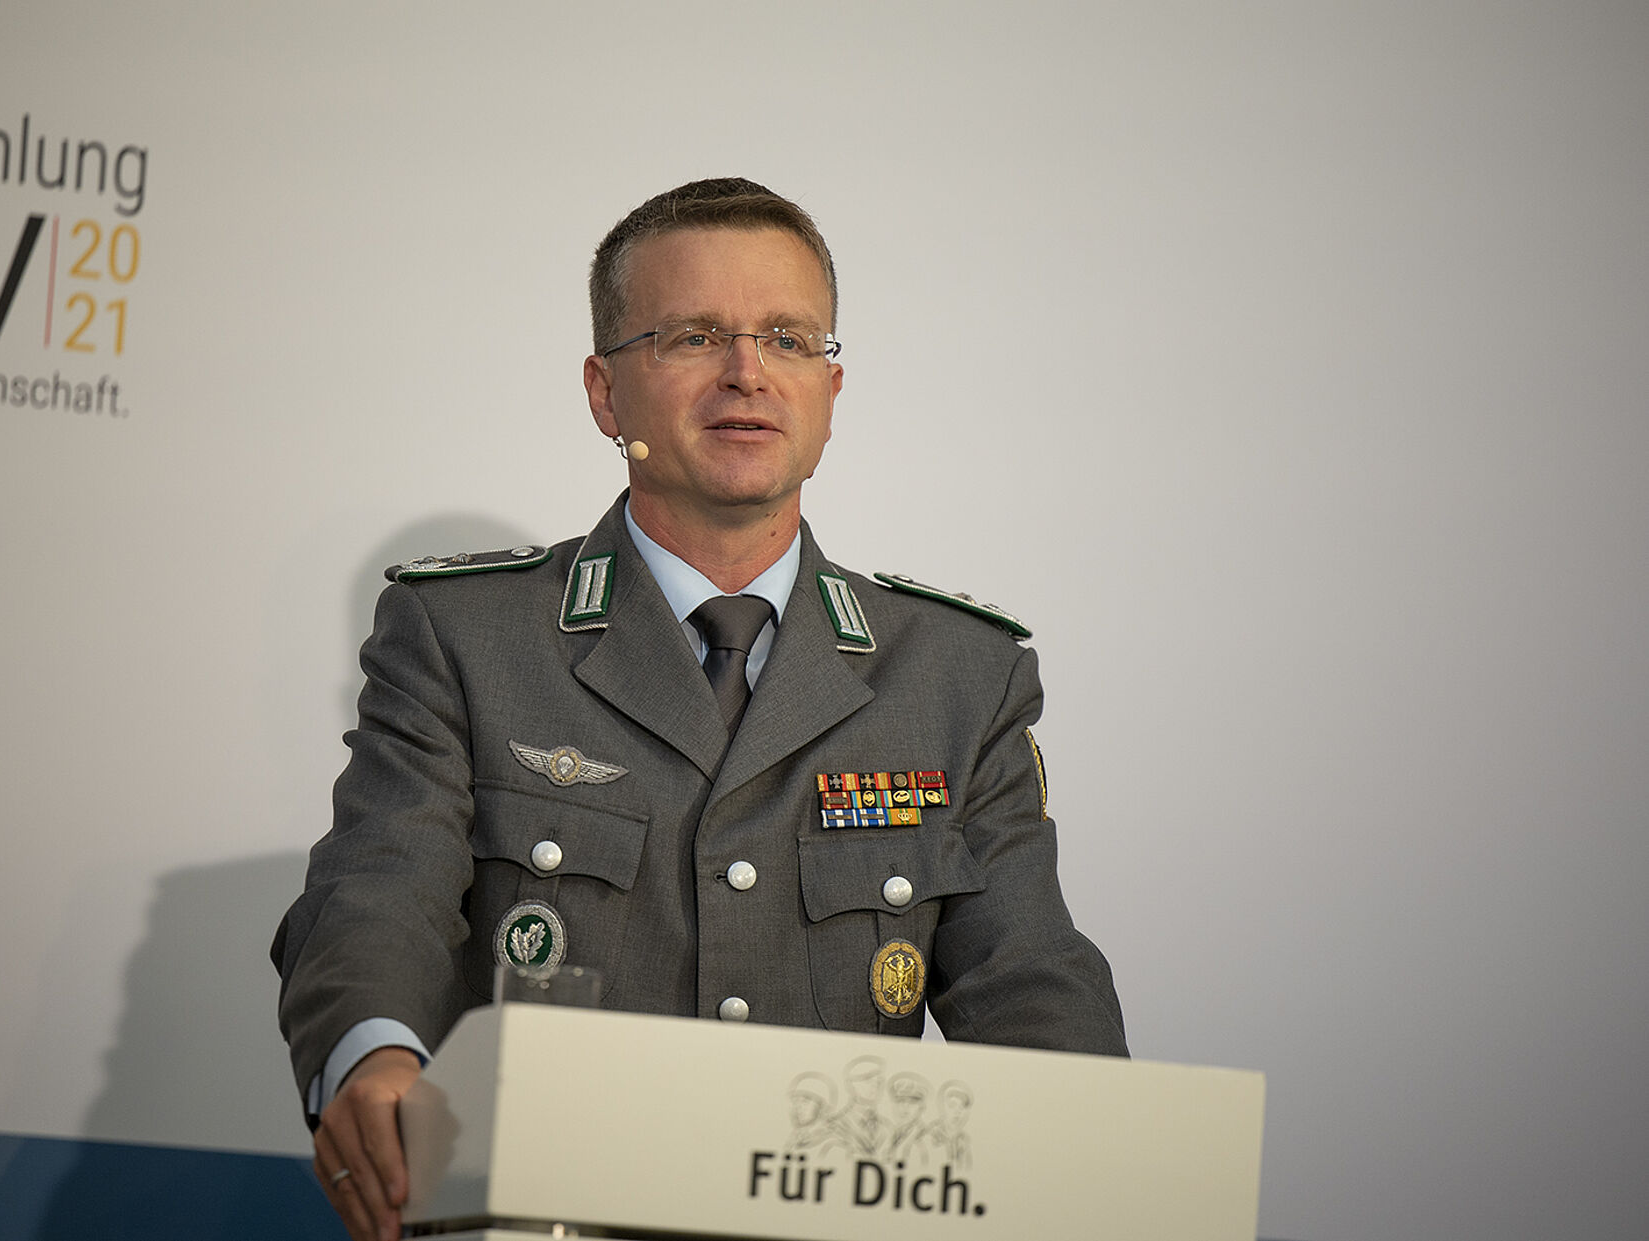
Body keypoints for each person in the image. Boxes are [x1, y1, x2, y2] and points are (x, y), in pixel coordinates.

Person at [272, 177, 1127, 1241]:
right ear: (605, 392)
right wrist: (376, 1055)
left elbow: (1030, 977)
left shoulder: (959, 674)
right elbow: (377, 892)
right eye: (692, 335)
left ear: (831, 385)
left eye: (787, 336)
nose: (746, 371)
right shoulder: (465, 637)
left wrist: (1103, 1157)